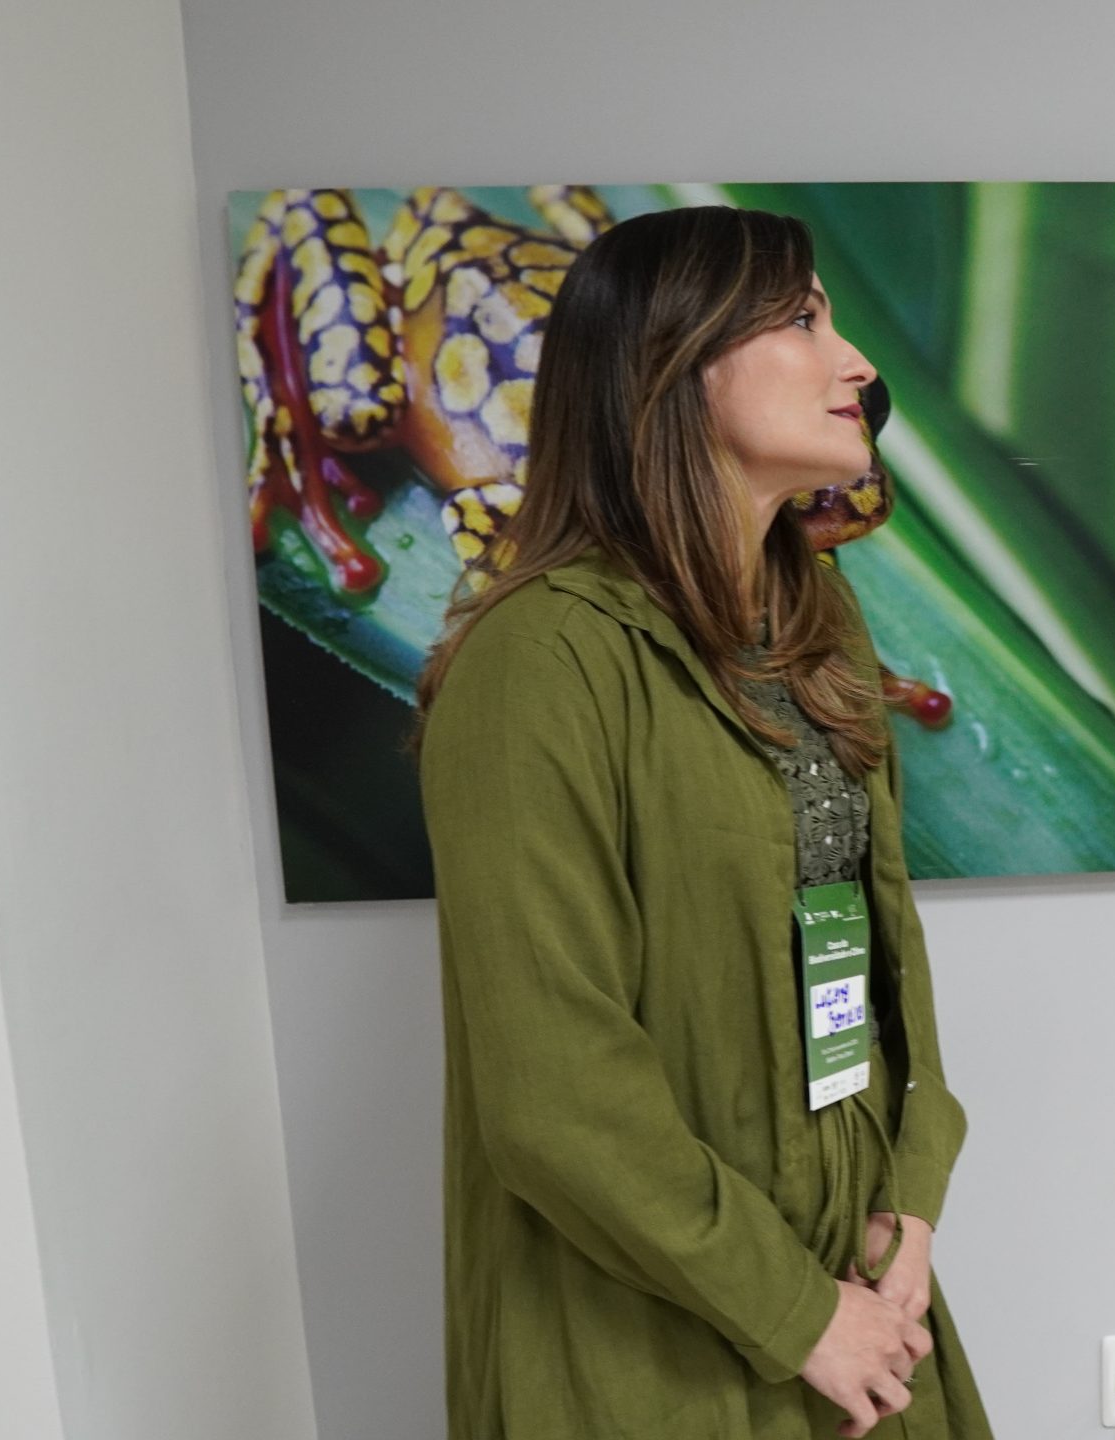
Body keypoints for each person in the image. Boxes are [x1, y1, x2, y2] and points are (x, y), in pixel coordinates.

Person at [416, 205, 991, 1440]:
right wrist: (799, 1314)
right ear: (673, 363)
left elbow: (886, 947)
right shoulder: (540, 660)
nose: (856, 364)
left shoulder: (818, 626)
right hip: (656, 1335)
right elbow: (553, 1092)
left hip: (858, 1279)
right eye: (803, 321)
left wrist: (910, 1197)